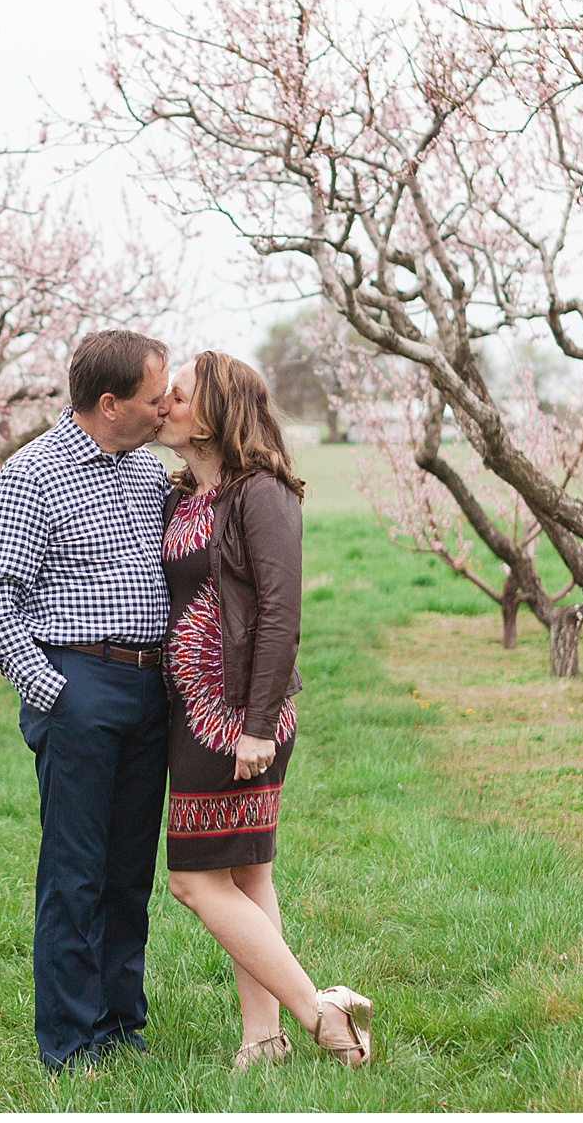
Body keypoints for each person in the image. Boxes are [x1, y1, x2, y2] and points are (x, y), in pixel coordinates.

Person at [155, 351, 373, 1069]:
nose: (164, 404)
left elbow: (281, 613)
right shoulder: (183, 497)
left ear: (215, 411)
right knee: (248, 874)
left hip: (238, 720)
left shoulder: (262, 493)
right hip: (193, 713)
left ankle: (319, 1012)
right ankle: (263, 1036)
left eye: (178, 396)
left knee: (192, 879)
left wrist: (254, 723)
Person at [0, 329, 174, 1072]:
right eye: (156, 398)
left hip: (149, 690)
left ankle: (122, 1024)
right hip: (78, 686)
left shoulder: (147, 473)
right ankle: (71, 1040)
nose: (165, 408)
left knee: (128, 872)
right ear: (111, 403)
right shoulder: (33, 474)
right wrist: (56, 692)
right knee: (76, 872)